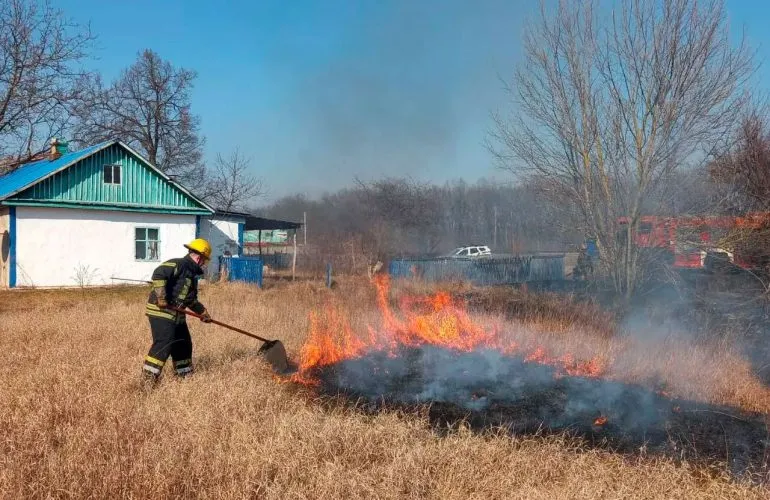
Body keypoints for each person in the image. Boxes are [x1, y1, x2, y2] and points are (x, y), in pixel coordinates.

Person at [141, 238, 214, 383]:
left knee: (183, 342)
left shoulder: (192, 276)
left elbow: (190, 300)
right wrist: (162, 298)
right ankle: (148, 380)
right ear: (199, 258)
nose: (205, 264)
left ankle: (184, 376)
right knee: (165, 342)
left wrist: (202, 313)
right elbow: (159, 274)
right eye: (205, 261)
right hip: (160, 310)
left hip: (177, 314)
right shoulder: (178, 264)